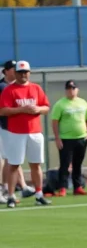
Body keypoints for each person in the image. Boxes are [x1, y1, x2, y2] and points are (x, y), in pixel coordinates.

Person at [0, 60, 51, 208]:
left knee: (36, 164)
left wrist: (38, 109)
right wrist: (22, 109)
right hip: (15, 133)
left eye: (25, 72)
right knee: (14, 164)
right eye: (20, 72)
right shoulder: (9, 90)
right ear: (15, 73)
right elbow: (3, 110)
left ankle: (39, 194)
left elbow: (46, 107)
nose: (23, 75)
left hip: (35, 132)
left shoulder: (36, 88)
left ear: (29, 73)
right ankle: (11, 196)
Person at [0, 60, 35, 203]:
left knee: (13, 158)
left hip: (14, 128)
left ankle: (20, 186)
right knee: (7, 159)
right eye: (13, 69)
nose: (16, 71)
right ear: (6, 71)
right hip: (4, 127)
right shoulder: (2, 87)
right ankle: (4, 188)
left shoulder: (17, 86)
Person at [51, 80, 87, 197]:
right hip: (66, 139)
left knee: (77, 163)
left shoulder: (83, 103)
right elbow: (55, 121)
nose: (71, 90)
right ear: (66, 90)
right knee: (65, 164)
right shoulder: (60, 104)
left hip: (81, 138)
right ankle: (62, 188)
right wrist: (57, 138)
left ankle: (77, 187)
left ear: (77, 89)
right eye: (69, 88)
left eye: (73, 88)